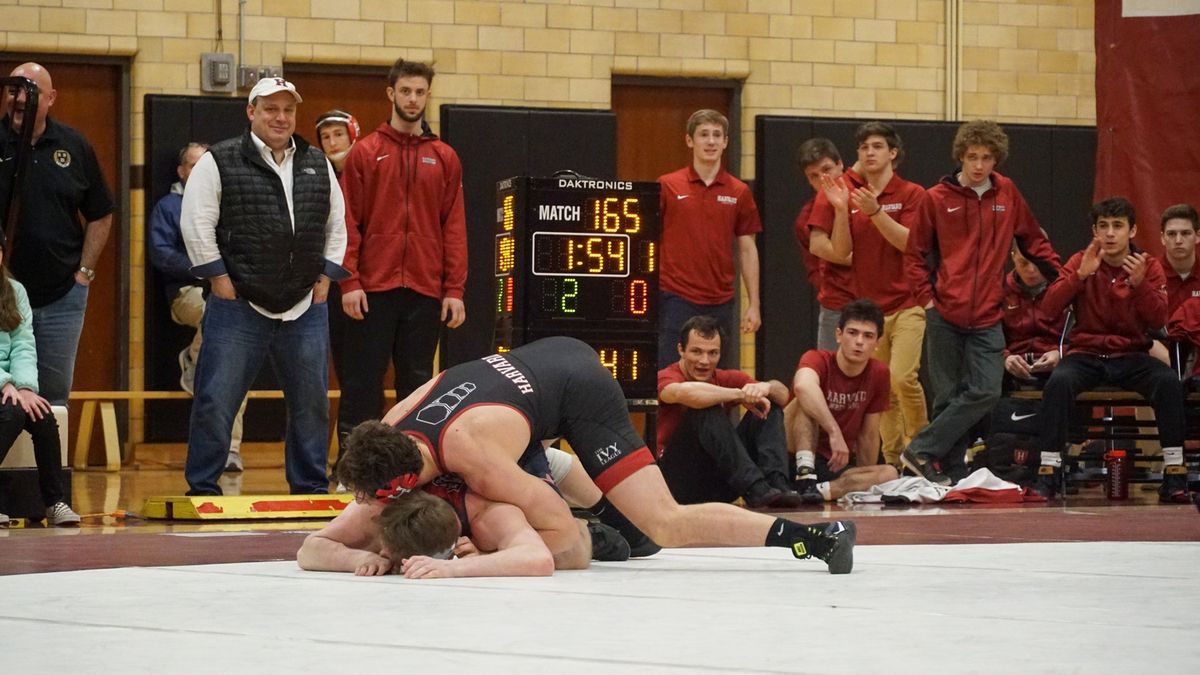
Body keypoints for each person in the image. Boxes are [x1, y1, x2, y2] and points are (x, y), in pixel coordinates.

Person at [336, 336, 858, 574]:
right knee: (632, 534)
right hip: (547, 352)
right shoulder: (391, 427)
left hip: (579, 391)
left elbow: (561, 540)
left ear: (402, 481)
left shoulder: (475, 457)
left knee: (664, 523)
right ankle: (619, 530)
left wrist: (489, 560)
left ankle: (815, 540)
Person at [179, 77, 347, 496]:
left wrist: (326, 277)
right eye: (271, 108)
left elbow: (337, 225)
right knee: (217, 399)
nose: (281, 117)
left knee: (310, 403)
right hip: (238, 303)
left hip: (306, 304)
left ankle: (310, 486)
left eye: (288, 110)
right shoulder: (219, 160)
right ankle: (202, 487)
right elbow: (195, 221)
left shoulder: (316, 161)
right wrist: (218, 278)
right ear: (251, 112)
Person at [901, 120, 1060, 484]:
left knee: (986, 390)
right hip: (944, 312)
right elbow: (914, 255)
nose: (978, 165)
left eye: (987, 158)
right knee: (947, 397)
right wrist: (927, 300)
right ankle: (950, 469)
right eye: (972, 157)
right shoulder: (935, 198)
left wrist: (1061, 276)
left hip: (988, 314)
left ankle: (920, 450)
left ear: (996, 160)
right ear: (960, 157)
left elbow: (1033, 240)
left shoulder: (1007, 194)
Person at [336, 59, 467, 446]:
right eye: (405, 91)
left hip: (425, 291)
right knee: (362, 381)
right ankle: (353, 466)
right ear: (391, 94)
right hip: (372, 289)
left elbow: (454, 227)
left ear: (428, 95)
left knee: (417, 384)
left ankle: (414, 462)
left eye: (420, 91)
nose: (413, 99)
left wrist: (454, 289)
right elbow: (347, 222)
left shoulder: (445, 157)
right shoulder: (364, 153)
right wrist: (349, 281)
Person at [1031, 197, 1189, 503]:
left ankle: (1174, 472)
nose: (1110, 233)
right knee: (1059, 382)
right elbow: (1048, 309)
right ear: (1095, 231)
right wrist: (1078, 278)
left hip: (1132, 354)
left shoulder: (1149, 265)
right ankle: (1048, 472)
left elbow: (1159, 320)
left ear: (1132, 231)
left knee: (1168, 381)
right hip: (1087, 354)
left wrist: (1140, 284)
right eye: (1103, 226)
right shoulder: (1081, 260)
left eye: (1118, 226)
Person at [0, 62, 114, 409]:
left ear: (51, 98)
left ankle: (47, 465)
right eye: (13, 89)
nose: (21, 98)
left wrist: (84, 275)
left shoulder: (74, 145)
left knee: (52, 396)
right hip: (2, 293)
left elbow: (101, 213)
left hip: (61, 295)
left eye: (31, 90)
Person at [814, 121, 927, 469]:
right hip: (871, 309)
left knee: (903, 377)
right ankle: (894, 460)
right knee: (885, 389)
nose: (869, 153)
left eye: (877, 146)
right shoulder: (850, 194)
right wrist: (840, 210)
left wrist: (875, 212)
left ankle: (924, 449)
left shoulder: (912, 194)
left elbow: (910, 243)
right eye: (864, 148)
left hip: (910, 301)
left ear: (893, 153)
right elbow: (841, 249)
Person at [147, 142, 246, 473]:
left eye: (207, 165)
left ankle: (231, 449)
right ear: (182, 171)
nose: (201, 171)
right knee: (215, 317)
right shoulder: (168, 206)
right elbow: (159, 253)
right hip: (186, 294)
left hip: (224, 293)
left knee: (235, 364)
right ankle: (193, 358)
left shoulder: (226, 204)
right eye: (194, 165)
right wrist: (204, 266)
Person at [656, 315, 803, 508]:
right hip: (677, 482)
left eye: (713, 353)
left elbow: (783, 395)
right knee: (705, 407)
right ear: (680, 350)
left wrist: (766, 388)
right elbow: (686, 393)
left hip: (718, 482)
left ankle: (777, 484)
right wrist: (738, 394)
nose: (704, 361)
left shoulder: (725, 377)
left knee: (769, 404)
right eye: (696, 352)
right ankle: (755, 487)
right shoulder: (666, 376)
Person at [657, 109, 762, 369]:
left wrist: (754, 304)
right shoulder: (668, 185)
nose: (711, 141)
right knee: (671, 374)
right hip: (675, 297)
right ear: (690, 140)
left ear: (726, 142)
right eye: (704, 134)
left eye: (717, 135)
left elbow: (748, 249)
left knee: (716, 377)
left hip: (720, 301)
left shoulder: (739, 191)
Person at [786, 299, 898, 502]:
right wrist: (833, 431)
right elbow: (803, 386)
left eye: (868, 336)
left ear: (877, 343)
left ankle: (818, 492)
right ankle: (804, 473)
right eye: (852, 333)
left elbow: (869, 434)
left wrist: (864, 479)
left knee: (889, 473)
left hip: (833, 462)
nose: (859, 341)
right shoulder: (816, 358)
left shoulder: (879, 373)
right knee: (805, 399)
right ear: (838, 335)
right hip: (792, 453)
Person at [0, 244, 79, 526]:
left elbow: (23, 344)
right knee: (12, 413)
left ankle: (55, 502)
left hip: (11, 387)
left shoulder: (14, 291)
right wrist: (4, 383)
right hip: (2, 386)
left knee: (42, 415)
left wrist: (24, 387)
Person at [794, 138, 854, 351]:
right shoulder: (805, 219)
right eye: (814, 176)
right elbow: (813, 268)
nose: (823, 179)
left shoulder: (864, 200)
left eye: (827, 169)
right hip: (835, 305)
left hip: (877, 301)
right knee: (830, 374)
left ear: (841, 165)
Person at [1002, 245, 1068, 385]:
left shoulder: (1066, 286)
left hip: (1058, 365)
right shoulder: (1000, 290)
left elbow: (1084, 336)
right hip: (1012, 366)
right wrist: (1005, 358)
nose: (1031, 269)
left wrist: (1061, 353)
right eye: (1024, 262)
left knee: (1069, 376)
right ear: (1013, 256)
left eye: (1038, 262)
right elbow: (988, 337)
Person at [315, 109, 359, 176]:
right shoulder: (317, 175)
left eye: (338, 134)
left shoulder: (368, 171)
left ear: (353, 135)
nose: (332, 143)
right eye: (326, 137)